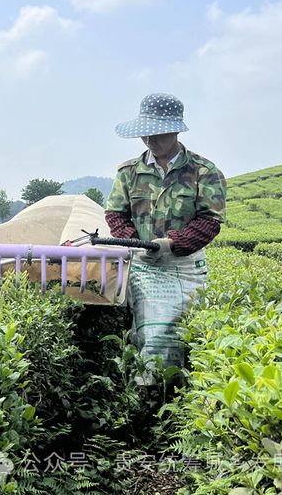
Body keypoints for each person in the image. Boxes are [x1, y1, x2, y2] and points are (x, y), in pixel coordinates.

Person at [104, 93, 226, 383]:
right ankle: (148, 392)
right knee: (152, 331)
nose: (150, 140)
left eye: (157, 133)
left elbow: (210, 220)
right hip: (144, 264)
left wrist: (173, 245)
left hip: (184, 266)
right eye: (145, 133)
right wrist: (136, 242)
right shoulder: (129, 172)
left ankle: (181, 393)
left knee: (183, 329)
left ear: (175, 130)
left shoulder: (204, 172)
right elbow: (115, 215)